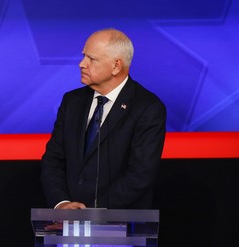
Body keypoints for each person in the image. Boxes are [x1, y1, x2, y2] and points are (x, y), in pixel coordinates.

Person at [41, 28, 166, 210]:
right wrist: (62, 203)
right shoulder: (72, 101)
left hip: (122, 226)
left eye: (91, 59)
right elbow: (53, 159)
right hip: (70, 223)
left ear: (116, 66)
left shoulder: (147, 108)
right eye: (84, 56)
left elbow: (140, 175)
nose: (81, 64)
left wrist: (91, 211)